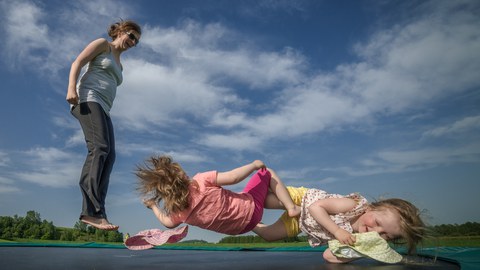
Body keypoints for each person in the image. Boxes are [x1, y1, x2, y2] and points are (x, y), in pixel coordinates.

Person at [66, 20, 142, 230]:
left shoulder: (120, 64)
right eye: (131, 35)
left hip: (104, 109)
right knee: (99, 148)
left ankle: (98, 212)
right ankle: (91, 211)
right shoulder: (103, 45)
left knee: (110, 156)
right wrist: (72, 88)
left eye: (136, 41)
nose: (133, 42)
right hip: (87, 99)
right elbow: (78, 62)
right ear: (120, 31)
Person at [254, 186, 426, 264]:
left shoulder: (356, 237)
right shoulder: (354, 206)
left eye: (385, 235)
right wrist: (337, 231)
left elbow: (329, 256)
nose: (376, 231)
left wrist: (365, 249)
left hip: (301, 222)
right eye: (378, 223)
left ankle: (247, 221)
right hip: (302, 201)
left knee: (268, 235)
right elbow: (316, 207)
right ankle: (234, 200)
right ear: (371, 208)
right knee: (263, 201)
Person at [137, 155, 300, 235]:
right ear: (179, 173)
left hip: (241, 228)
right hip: (251, 210)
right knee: (266, 173)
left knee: (248, 196)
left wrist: (153, 206)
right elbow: (233, 177)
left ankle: (279, 210)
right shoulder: (200, 180)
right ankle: (291, 208)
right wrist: (253, 165)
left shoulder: (178, 212)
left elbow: (167, 222)